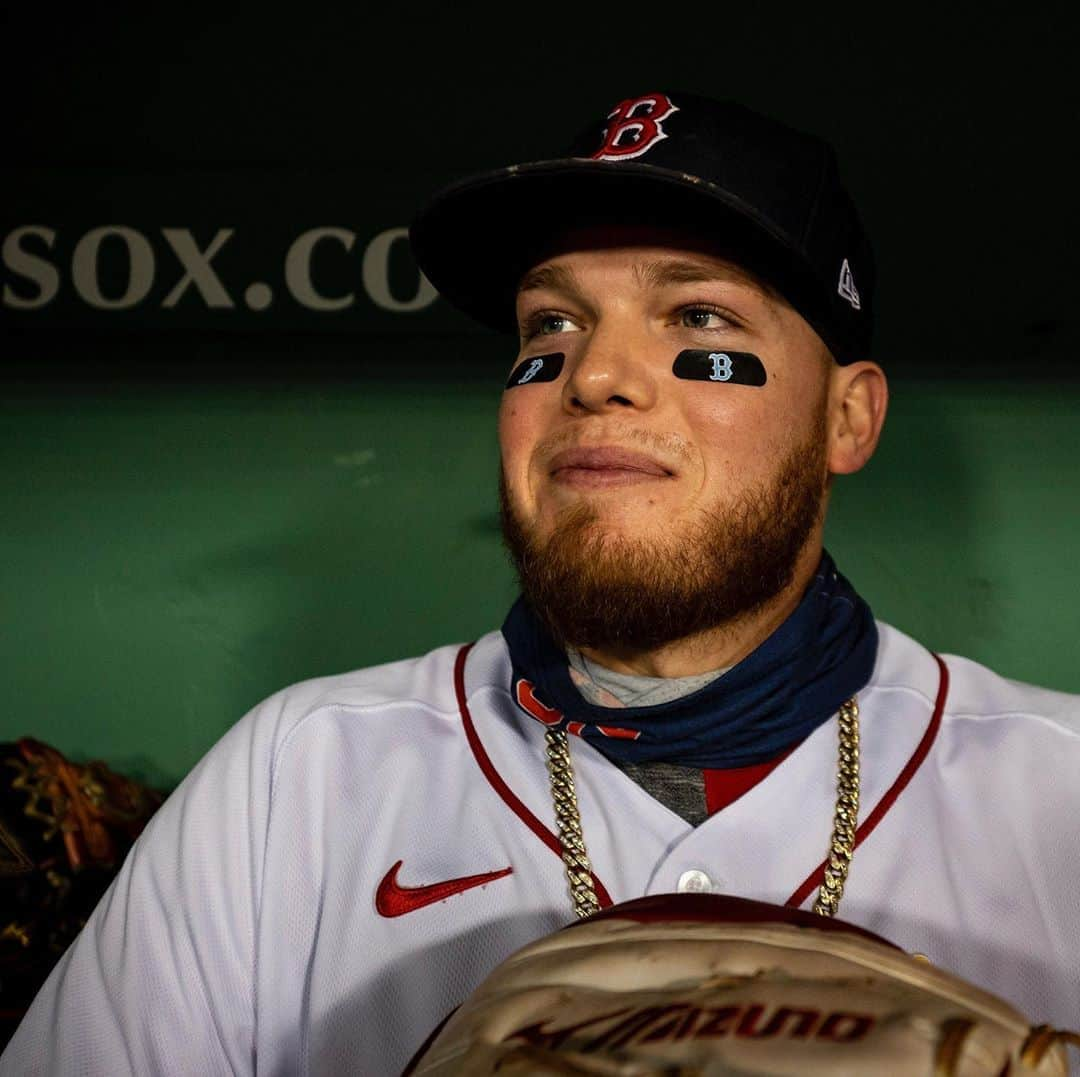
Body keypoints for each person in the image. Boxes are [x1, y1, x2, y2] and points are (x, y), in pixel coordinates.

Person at [3, 91, 1078, 1076]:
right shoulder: (296, 781)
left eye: (699, 316)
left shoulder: (1057, 798)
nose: (595, 375)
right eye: (550, 326)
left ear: (849, 417)